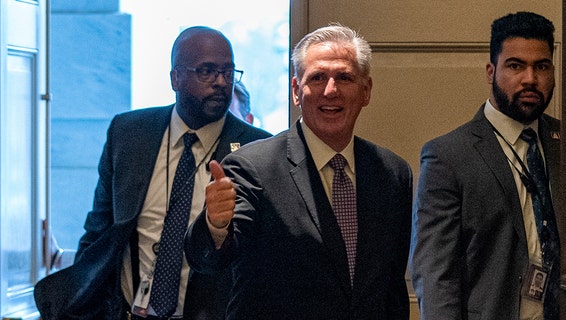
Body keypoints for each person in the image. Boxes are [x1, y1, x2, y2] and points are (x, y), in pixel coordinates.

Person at [34, 26, 272, 320]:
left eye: (228, 71)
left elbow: (261, 255)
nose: (221, 82)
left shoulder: (257, 147)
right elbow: (100, 231)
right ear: (175, 77)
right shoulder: (128, 134)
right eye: (207, 71)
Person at [184, 24, 413, 319]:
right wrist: (215, 226)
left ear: (366, 91)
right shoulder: (251, 167)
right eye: (317, 78)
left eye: (344, 78)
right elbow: (213, 260)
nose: (331, 91)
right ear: (296, 91)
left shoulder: (392, 174)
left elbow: (391, 290)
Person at [409, 12, 561, 320]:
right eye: (515, 65)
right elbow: (436, 274)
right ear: (491, 71)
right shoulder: (448, 156)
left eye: (541, 66)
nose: (530, 79)